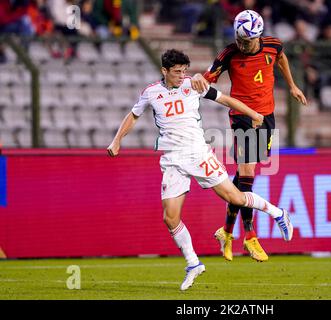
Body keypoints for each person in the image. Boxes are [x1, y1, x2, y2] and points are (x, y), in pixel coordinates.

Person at [107, 49, 293, 291]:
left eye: (184, 70)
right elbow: (132, 115)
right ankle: (193, 264)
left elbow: (225, 99)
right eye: (176, 72)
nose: (181, 75)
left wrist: (253, 113)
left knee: (234, 197)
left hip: (198, 153)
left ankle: (278, 213)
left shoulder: (193, 85)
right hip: (172, 159)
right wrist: (117, 140)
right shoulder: (151, 93)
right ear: (164, 71)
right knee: (170, 218)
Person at [191, 10, 307, 262]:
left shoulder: (273, 46)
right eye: (240, 40)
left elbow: (282, 59)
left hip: (266, 116)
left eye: (248, 41)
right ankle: (250, 236)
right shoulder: (229, 53)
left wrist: (293, 86)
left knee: (243, 179)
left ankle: (226, 231)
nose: (243, 45)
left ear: (258, 36)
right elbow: (208, 76)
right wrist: (200, 77)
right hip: (242, 116)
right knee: (247, 176)